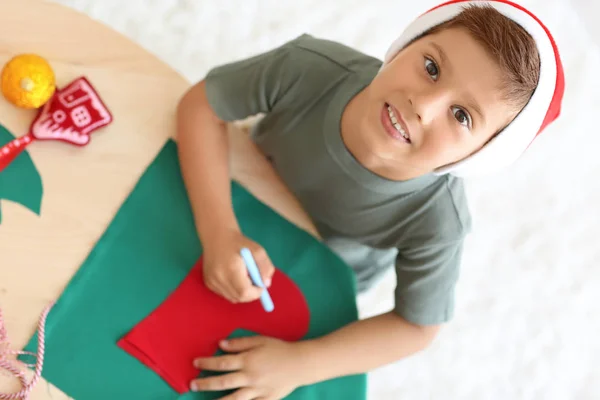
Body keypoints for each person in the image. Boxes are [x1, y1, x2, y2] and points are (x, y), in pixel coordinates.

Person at [175, 0, 565, 398]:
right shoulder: (307, 66)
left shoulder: (440, 222)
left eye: (462, 116)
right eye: (431, 68)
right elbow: (203, 105)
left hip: (316, 277)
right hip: (233, 194)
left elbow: (417, 326)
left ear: (476, 156)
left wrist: (300, 363)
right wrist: (219, 230)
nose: (424, 107)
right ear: (403, 45)